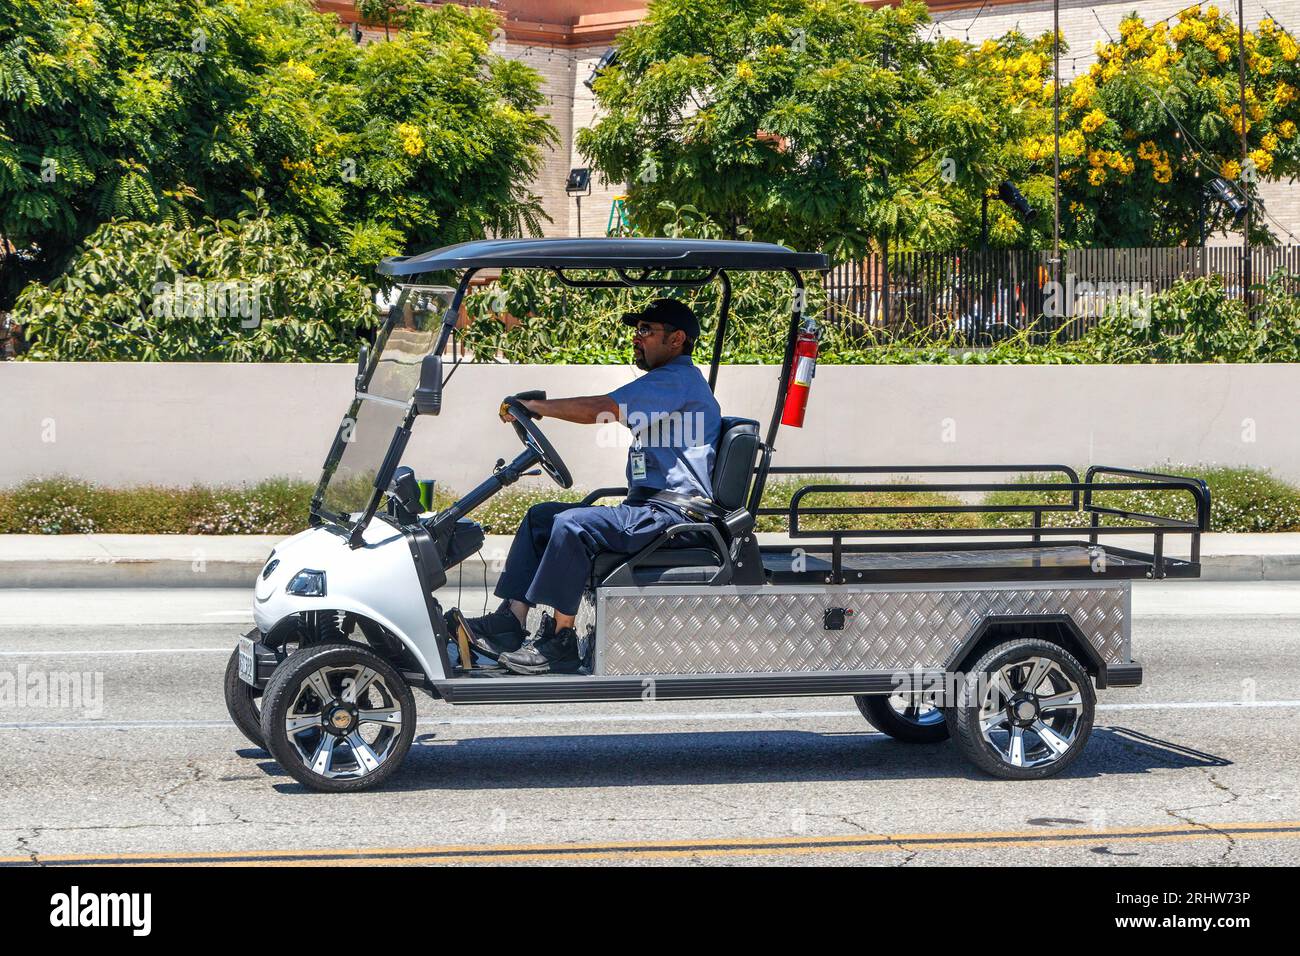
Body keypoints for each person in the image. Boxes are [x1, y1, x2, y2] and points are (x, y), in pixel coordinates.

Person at [461, 297, 721, 675]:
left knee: (573, 525)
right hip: (649, 509)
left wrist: (537, 407)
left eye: (647, 331)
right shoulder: (666, 384)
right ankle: (510, 622)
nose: (637, 338)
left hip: (673, 516)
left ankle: (560, 641)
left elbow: (600, 409)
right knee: (543, 518)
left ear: (677, 338)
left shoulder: (674, 380)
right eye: (637, 330)